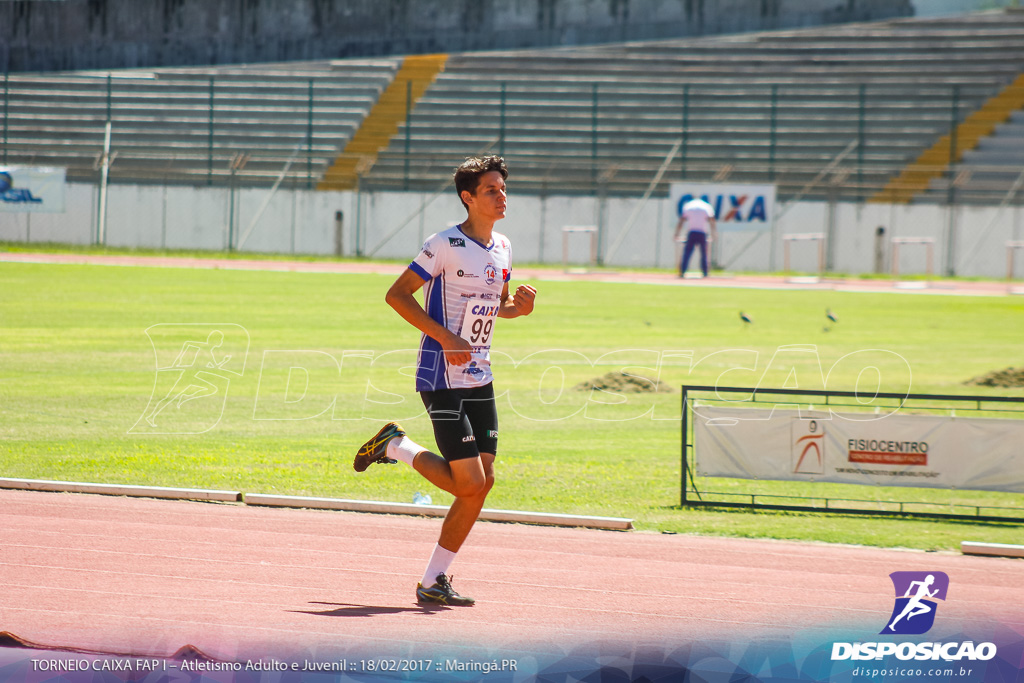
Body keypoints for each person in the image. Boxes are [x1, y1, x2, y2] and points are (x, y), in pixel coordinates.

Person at [353, 155, 537, 607]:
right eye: (491, 190)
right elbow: (396, 295)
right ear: (468, 197)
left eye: (503, 189)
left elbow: (496, 307)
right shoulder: (444, 244)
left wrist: (519, 309)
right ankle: (396, 446)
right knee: (469, 483)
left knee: (483, 480)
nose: (501, 196)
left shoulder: (504, 248)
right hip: (441, 374)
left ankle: (434, 580)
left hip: (481, 375)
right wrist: (444, 336)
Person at [674, 196, 717, 277]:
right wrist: (714, 233)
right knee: (704, 253)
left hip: (692, 232)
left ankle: (683, 270)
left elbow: (682, 220)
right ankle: (705, 271)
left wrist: (677, 233)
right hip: (702, 232)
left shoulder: (689, 206)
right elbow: (712, 220)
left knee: (687, 252)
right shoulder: (706, 207)